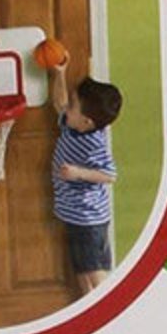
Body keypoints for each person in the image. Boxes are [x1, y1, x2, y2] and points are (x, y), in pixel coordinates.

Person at [49, 58, 122, 294]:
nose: (67, 108)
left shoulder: (93, 143)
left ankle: (108, 303)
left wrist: (78, 173)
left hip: (89, 219)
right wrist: (60, 74)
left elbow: (109, 175)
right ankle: (88, 300)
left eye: (73, 106)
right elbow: (59, 102)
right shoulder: (72, 126)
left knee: (95, 271)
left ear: (86, 121)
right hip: (75, 216)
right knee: (82, 268)